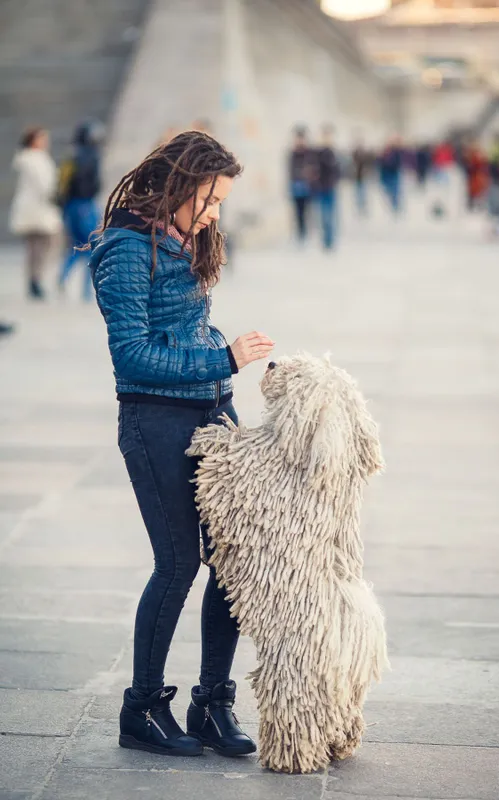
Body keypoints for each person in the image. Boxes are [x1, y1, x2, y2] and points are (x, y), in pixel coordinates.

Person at [89, 131, 274, 759]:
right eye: (212, 198)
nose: (216, 212)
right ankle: (141, 708)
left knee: (231, 559)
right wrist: (221, 356)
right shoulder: (123, 250)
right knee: (178, 565)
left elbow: (183, 325)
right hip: (154, 422)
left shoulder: (185, 237)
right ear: (179, 186)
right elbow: (131, 354)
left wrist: (221, 356)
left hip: (213, 413)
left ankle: (212, 704)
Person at [9, 127, 62, 299]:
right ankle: (36, 280)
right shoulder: (35, 159)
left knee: (34, 247)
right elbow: (45, 184)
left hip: (30, 208)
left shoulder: (27, 158)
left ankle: (34, 280)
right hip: (39, 208)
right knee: (42, 245)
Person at [57, 120, 104, 300]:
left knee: (76, 245)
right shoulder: (91, 155)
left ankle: (62, 277)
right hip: (85, 204)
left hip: (70, 206)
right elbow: (94, 183)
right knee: (92, 245)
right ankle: (87, 291)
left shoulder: (71, 156)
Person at [288, 127, 316, 241]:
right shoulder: (292, 153)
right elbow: (290, 170)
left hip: (307, 186)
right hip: (296, 186)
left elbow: (313, 167)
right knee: (298, 212)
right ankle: (301, 233)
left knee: (308, 210)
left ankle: (308, 231)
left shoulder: (309, 153)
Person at [315, 125, 341, 250]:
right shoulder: (318, 152)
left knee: (330, 215)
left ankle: (330, 240)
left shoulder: (333, 153)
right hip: (320, 188)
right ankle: (326, 239)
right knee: (323, 215)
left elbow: (338, 170)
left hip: (330, 188)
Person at [379, 137, 403, 214]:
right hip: (387, 175)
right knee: (389, 192)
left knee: (395, 191)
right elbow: (381, 166)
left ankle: (395, 207)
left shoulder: (396, 153)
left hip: (394, 174)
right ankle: (392, 206)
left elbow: (397, 164)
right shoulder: (384, 155)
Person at [463, 140, 489, 211]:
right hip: (473, 176)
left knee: (478, 191)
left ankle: (478, 205)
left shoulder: (478, 156)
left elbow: (482, 165)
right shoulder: (471, 155)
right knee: (473, 191)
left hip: (477, 176)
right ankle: (472, 205)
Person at [351, 142, 373, 215]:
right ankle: (359, 206)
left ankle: (363, 206)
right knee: (358, 192)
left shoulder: (365, 155)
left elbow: (368, 163)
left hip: (363, 177)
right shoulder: (355, 155)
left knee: (363, 192)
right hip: (357, 177)